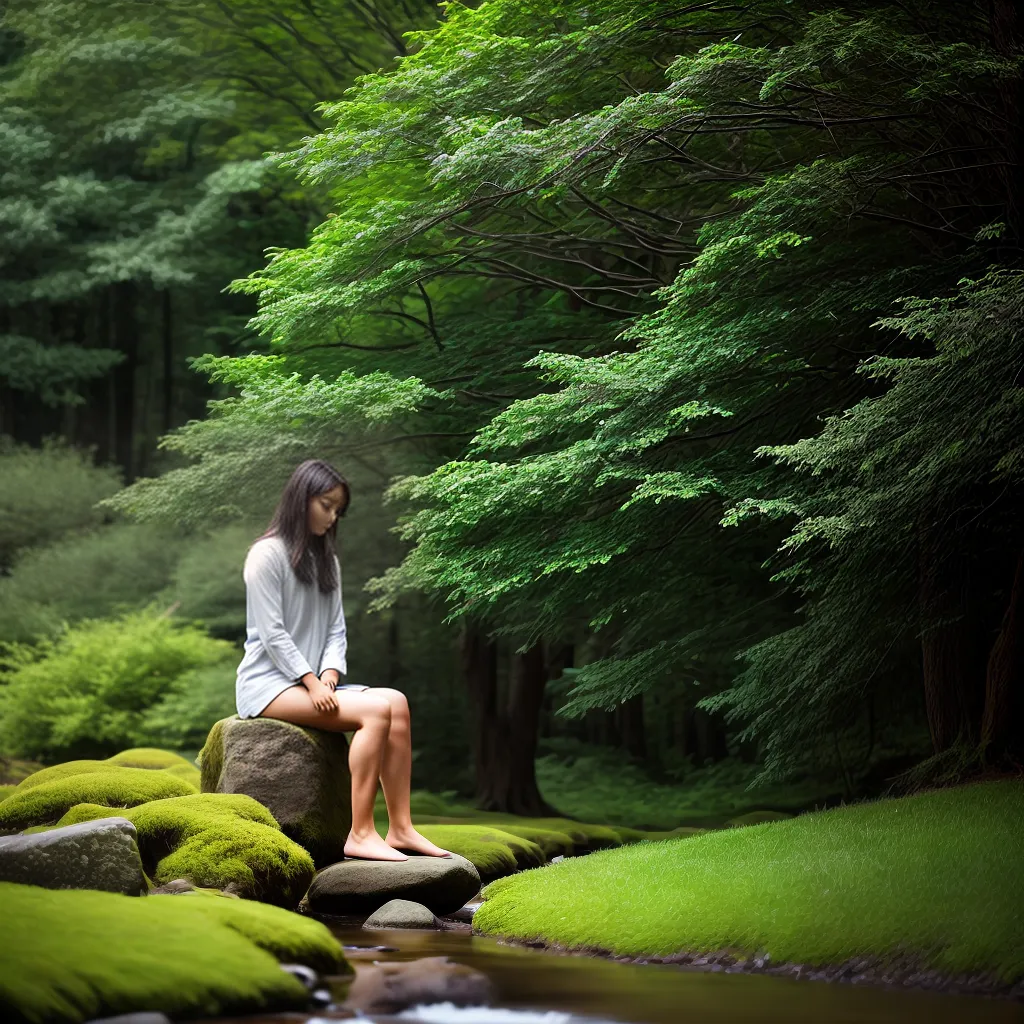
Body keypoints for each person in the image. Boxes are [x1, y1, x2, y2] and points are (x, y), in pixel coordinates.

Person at [235, 458, 450, 862]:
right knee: (373, 711)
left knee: (397, 703)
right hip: (268, 685)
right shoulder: (265, 555)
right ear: (302, 499)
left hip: (313, 680)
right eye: (326, 505)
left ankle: (401, 829)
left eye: (338, 510)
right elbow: (272, 632)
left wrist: (330, 672)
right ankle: (361, 833)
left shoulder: (326, 561)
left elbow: (336, 629)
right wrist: (311, 682)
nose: (332, 517)